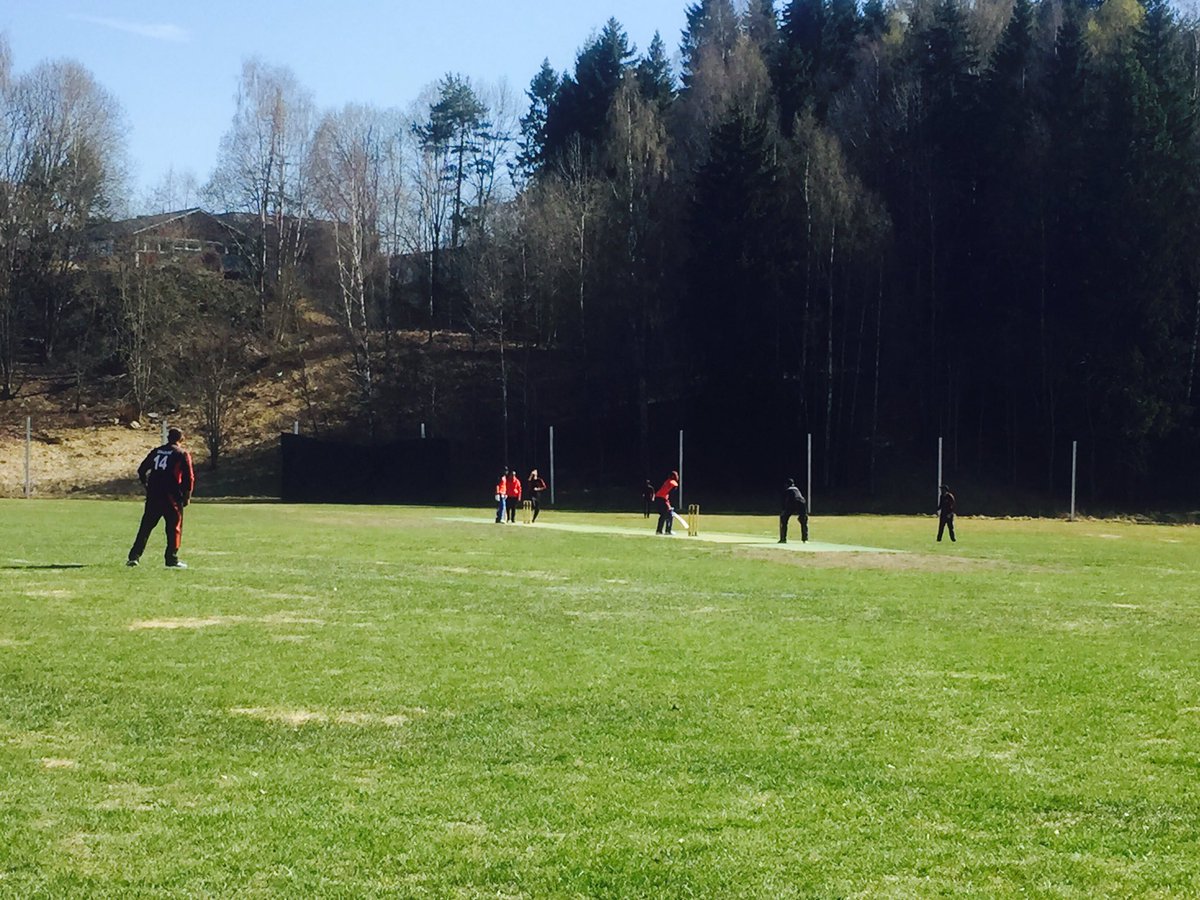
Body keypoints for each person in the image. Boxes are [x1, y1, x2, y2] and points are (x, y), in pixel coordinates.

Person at [127, 427, 195, 568]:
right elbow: (189, 477)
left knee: (146, 526)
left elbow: (142, 470)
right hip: (171, 495)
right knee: (173, 528)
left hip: (154, 495)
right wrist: (187, 496)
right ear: (181, 439)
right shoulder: (181, 453)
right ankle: (172, 559)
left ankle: (134, 557)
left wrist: (147, 485)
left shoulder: (157, 451)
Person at [780, 477, 808, 544]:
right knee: (804, 521)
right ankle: (805, 539)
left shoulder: (787, 490)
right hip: (802, 502)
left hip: (792, 503)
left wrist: (783, 511)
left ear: (786, 484)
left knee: (784, 520)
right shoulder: (797, 489)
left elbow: (784, 501)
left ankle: (783, 539)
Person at [653, 470, 679, 535]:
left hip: (658, 497)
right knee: (669, 514)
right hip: (662, 499)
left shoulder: (667, 481)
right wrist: (669, 505)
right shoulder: (674, 483)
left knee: (664, 515)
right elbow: (671, 494)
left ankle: (659, 530)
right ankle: (667, 531)